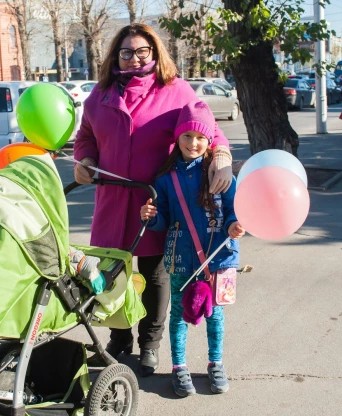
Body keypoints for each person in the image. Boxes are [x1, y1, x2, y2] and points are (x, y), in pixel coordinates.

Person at [73, 23, 234, 377]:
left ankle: (149, 343)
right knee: (111, 276)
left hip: (156, 201)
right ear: (116, 55)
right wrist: (84, 160)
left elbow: (210, 127)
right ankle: (119, 338)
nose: (134, 59)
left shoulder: (174, 90)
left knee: (155, 275)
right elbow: (85, 136)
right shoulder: (99, 95)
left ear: (155, 53)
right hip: (112, 200)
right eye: (126, 52)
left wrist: (221, 155)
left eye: (142, 51)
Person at [140, 101, 244, 397]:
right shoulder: (165, 178)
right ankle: (179, 367)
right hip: (181, 259)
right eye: (187, 136)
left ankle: (216, 363)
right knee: (179, 315)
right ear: (177, 138)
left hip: (221, 259)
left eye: (200, 137)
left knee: (216, 316)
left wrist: (236, 226)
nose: (193, 143)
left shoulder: (221, 174)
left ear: (210, 139)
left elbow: (235, 211)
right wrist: (151, 218)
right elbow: (163, 221)